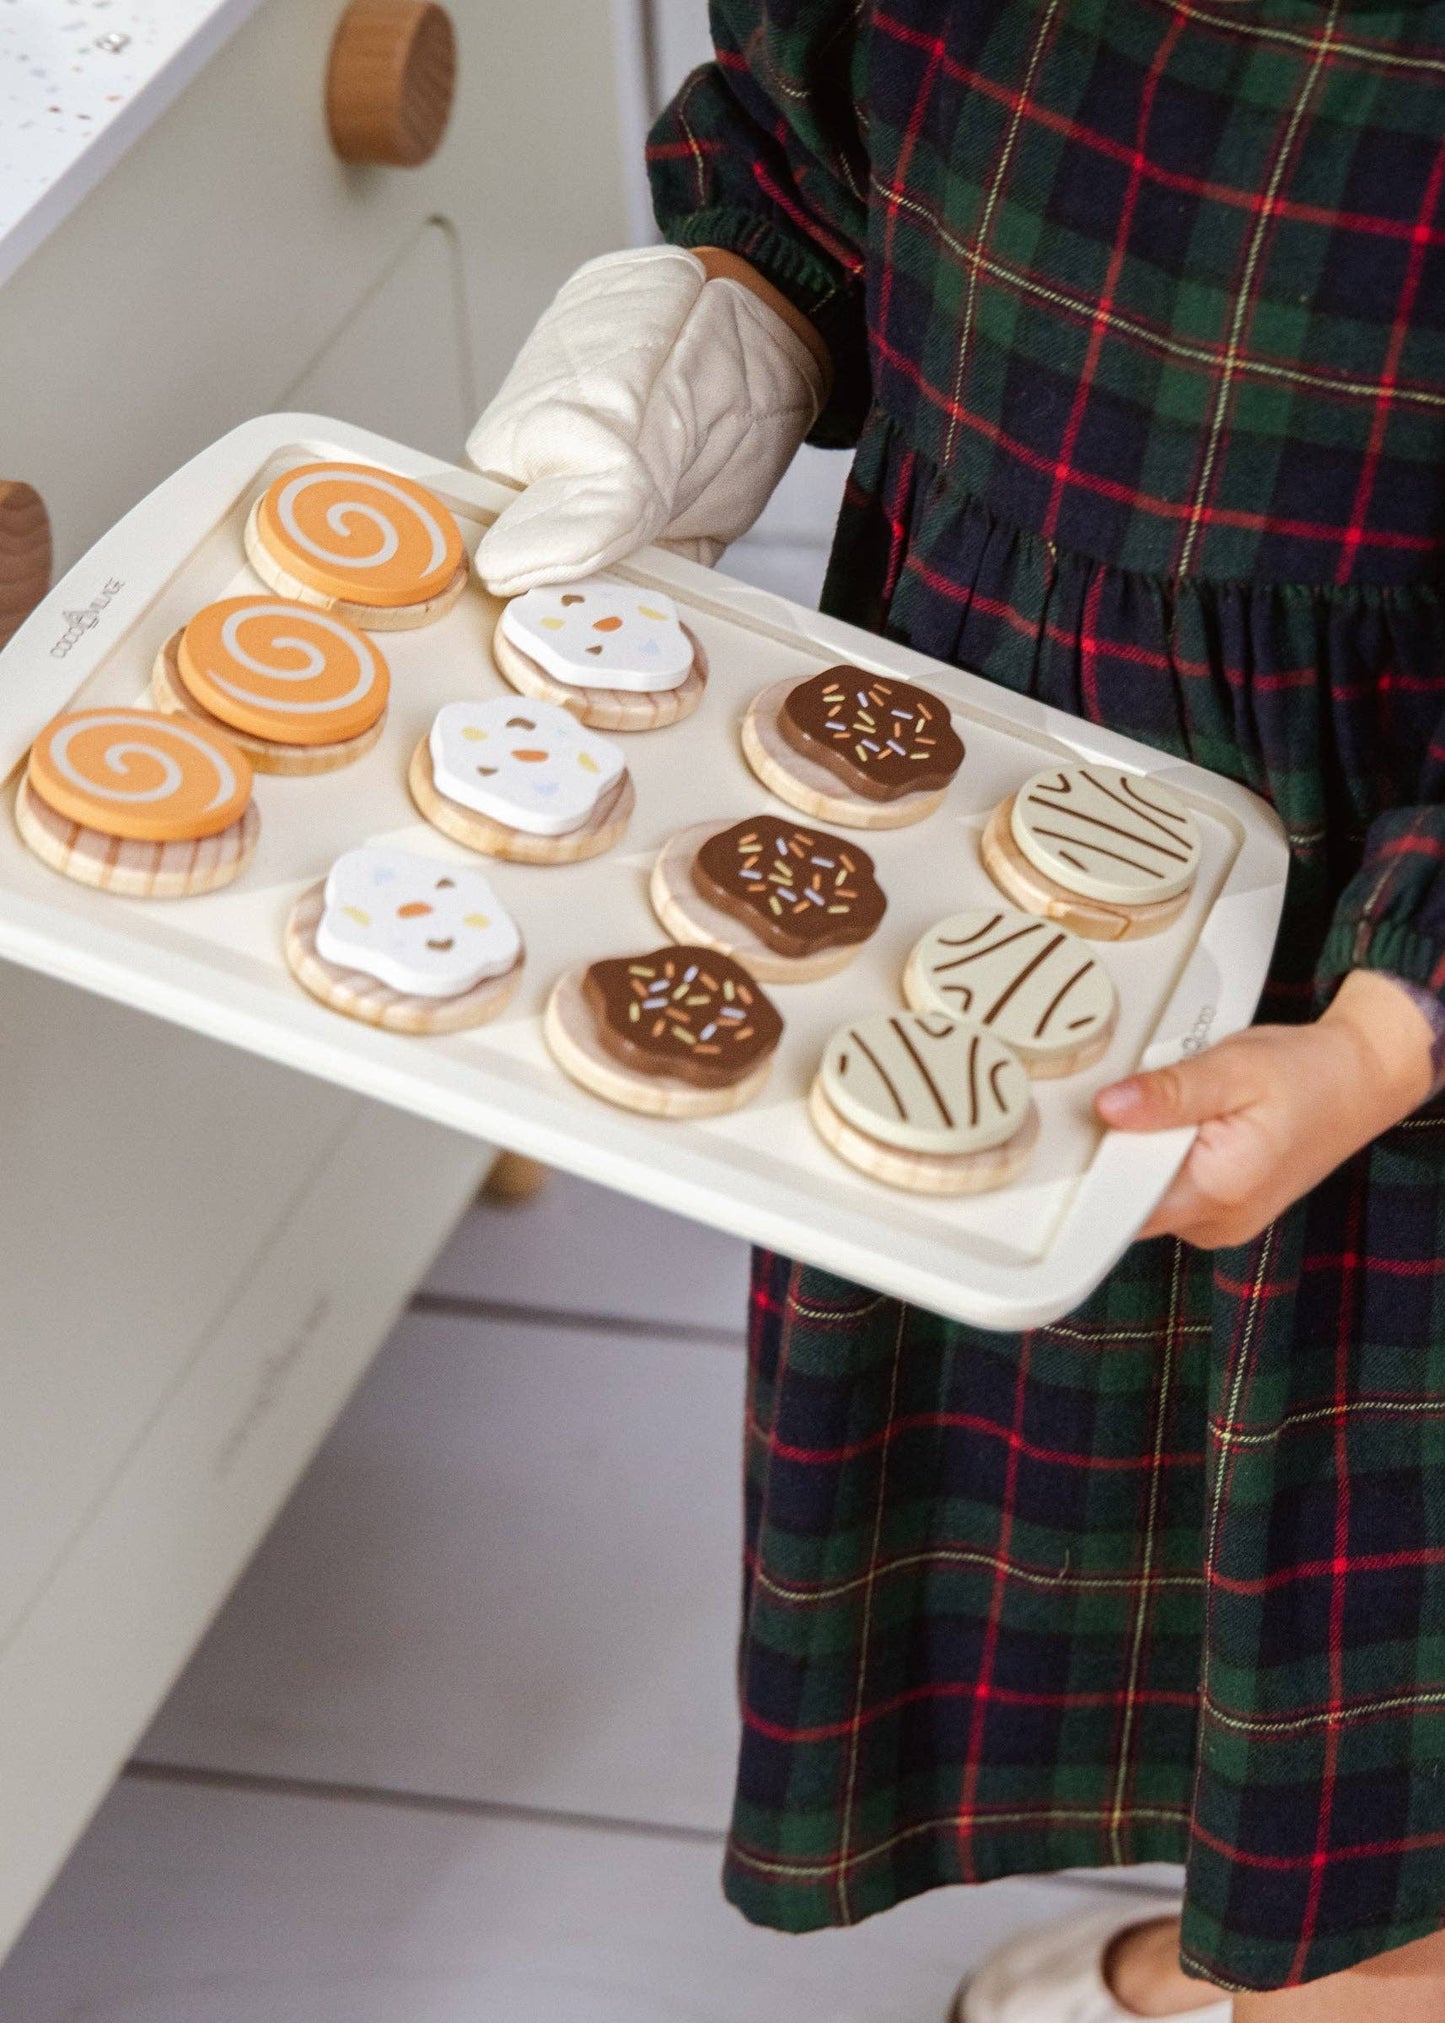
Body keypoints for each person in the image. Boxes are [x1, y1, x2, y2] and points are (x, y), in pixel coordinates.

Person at [466, 2, 1445, 2015]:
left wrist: (1380, 1034)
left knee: (1388, 1641)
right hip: (1006, 815)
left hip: (1390, 946)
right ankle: (1266, 1928)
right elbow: (823, 141)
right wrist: (694, 348)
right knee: (1179, 1540)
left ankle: (1350, 1980)